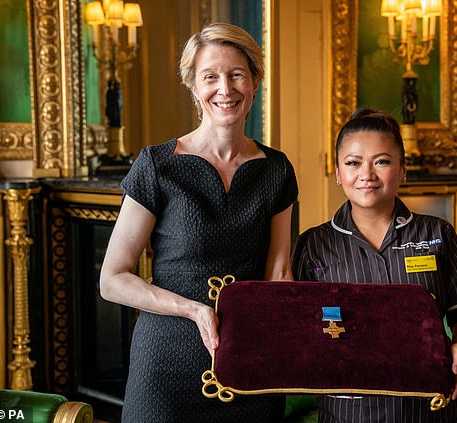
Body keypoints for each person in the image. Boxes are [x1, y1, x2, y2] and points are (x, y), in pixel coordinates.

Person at [99, 23, 298, 422]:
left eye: (237, 74)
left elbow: (279, 272)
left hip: (250, 361)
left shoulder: (277, 169)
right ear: (193, 86)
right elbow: (112, 279)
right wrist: (193, 310)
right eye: (210, 77)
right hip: (166, 364)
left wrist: (286, 343)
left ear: (255, 82)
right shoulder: (156, 165)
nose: (225, 89)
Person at [292, 109, 457, 423]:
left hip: (431, 406)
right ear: (337, 171)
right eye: (353, 162)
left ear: (403, 170)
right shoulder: (313, 245)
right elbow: (295, 329)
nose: (367, 174)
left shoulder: (437, 234)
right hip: (349, 412)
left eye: (382, 161)